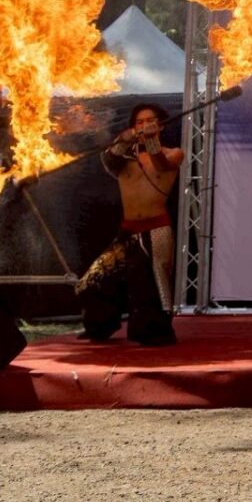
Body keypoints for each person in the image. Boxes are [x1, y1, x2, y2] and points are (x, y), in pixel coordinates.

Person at [77, 102, 183, 347]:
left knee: (153, 286)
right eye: (140, 122)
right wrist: (125, 138)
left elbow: (161, 165)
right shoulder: (124, 159)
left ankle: (155, 333)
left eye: (150, 120)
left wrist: (151, 139)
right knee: (93, 280)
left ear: (160, 125)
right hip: (127, 231)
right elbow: (109, 157)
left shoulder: (172, 153)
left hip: (155, 230)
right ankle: (99, 325)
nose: (145, 125)